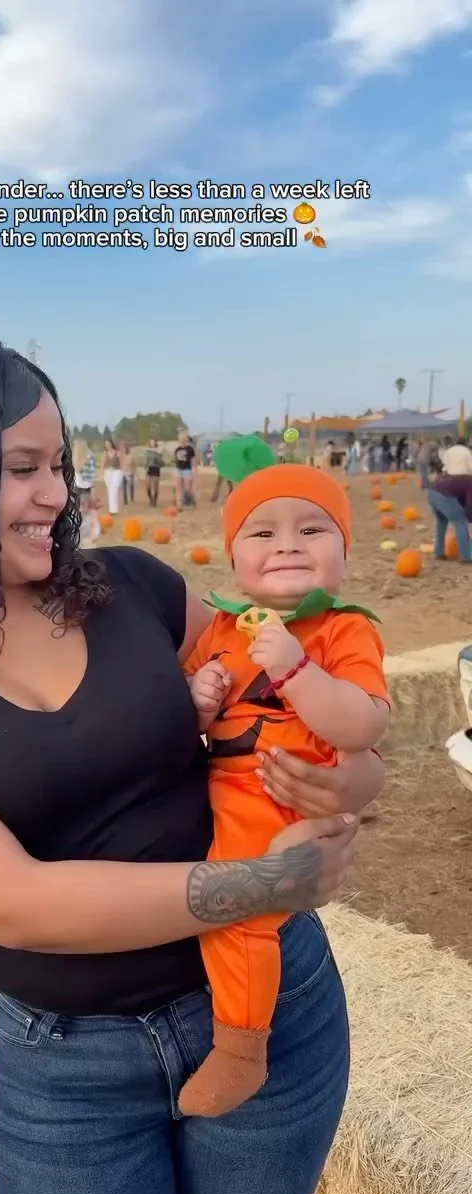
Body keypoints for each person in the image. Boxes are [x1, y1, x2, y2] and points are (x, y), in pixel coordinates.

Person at [0, 333, 384, 1194]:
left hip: (271, 1008)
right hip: (72, 1070)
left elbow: (303, 716)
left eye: (61, 465)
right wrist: (261, 883)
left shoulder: (131, 586)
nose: (57, 494)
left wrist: (360, 781)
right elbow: (11, 902)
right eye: (22, 469)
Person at [179, 456, 390, 1117]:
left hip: (280, 797)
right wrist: (198, 699)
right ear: (234, 556)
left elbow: (363, 724)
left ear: (344, 554)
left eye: (312, 530)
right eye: (263, 532)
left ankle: (241, 1050)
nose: (288, 545)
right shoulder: (221, 627)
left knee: (238, 908)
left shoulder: (343, 629)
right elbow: (183, 726)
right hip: (222, 789)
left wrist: (297, 671)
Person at [426, 472, 472, 563]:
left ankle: (439, 552)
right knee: (460, 521)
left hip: (431, 493)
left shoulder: (467, 479)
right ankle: (466, 556)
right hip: (444, 496)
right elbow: (469, 507)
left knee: (442, 522)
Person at [72, 440, 99, 548]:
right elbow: (91, 477)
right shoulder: (89, 457)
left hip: (75, 490)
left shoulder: (74, 458)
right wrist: (93, 493)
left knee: (76, 515)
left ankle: (78, 541)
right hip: (85, 489)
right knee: (87, 516)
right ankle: (85, 540)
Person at [173, 429, 196, 506]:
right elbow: (176, 460)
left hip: (187, 470)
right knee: (178, 487)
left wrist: (194, 469)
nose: (182, 440)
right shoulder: (177, 449)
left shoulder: (190, 449)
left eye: (184, 438)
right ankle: (179, 503)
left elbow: (193, 460)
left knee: (188, 488)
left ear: (186, 439)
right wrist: (174, 470)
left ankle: (190, 499)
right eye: (181, 438)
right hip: (178, 470)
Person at [101, 439, 123, 514]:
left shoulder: (117, 452)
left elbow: (121, 462)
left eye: (108, 443)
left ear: (111, 444)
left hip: (116, 472)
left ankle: (114, 510)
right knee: (110, 490)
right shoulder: (105, 453)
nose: (107, 445)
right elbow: (102, 464)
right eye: (106, 444)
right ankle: (112, 509)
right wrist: (101, 474)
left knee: (114, 489)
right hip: (107, 472)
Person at [145, 437, 163, 506]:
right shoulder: (148, 451)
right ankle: (151, 499)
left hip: (156, 468)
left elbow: (160, 458)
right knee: (147, 485)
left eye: (153, 442)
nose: (152, 443)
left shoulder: (159, 450)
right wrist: (146, 467)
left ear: (155, 443)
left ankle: (155, 500)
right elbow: (147, 460)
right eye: (150, 442)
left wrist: (149, 449)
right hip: (149, 468)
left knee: (155, 485)